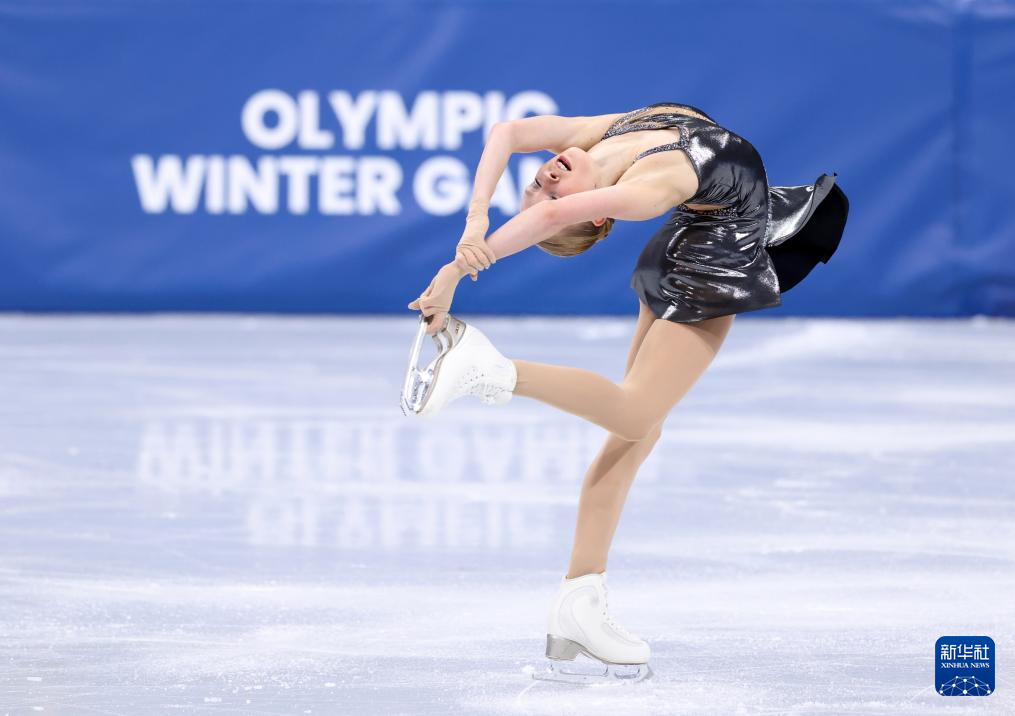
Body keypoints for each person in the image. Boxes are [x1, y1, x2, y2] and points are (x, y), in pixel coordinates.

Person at [406, 102, 849, 683]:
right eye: (551, 193)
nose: (544, 179)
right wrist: (454, 271)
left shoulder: (603, 135)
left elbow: (506, 132)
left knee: (637, 432)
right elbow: (545, 217)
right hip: (711, 261)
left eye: (537, 184)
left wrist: (475, 222)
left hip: (686, 242)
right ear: (595, 214)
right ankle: (493, 371)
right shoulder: (643, 192)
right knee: (637, 414)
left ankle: (579, 601)